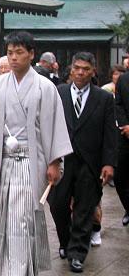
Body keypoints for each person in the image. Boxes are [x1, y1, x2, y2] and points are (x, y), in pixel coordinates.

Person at [0, 31, 73, 276]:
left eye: (19, 52)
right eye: (10, 53)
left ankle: (18, 269)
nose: (14, 58)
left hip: (32, 159)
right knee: (9, 216)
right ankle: (18, 267)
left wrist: (54, 160)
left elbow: (54, 124)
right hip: (6, 158)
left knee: (25, 216)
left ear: (31, 54)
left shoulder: (45, 87)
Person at [49, 52, 116, 273]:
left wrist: (109, 163)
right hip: (62, 158)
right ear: (70, 69)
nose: (80, 72)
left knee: (84, 209)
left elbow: (109, 134)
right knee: (57, 204)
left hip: (90, 161)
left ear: (93, 71)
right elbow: (48, 126)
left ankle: (77, 253)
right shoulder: (58, 93)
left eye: (85, 69)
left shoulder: (104, 98)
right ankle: (65, 242)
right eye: (77, 67)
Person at [115, 69, 129, 227]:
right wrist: (125, 125)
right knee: (119, 177)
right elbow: (118, 104)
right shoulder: (124, 79)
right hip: (125, 136)